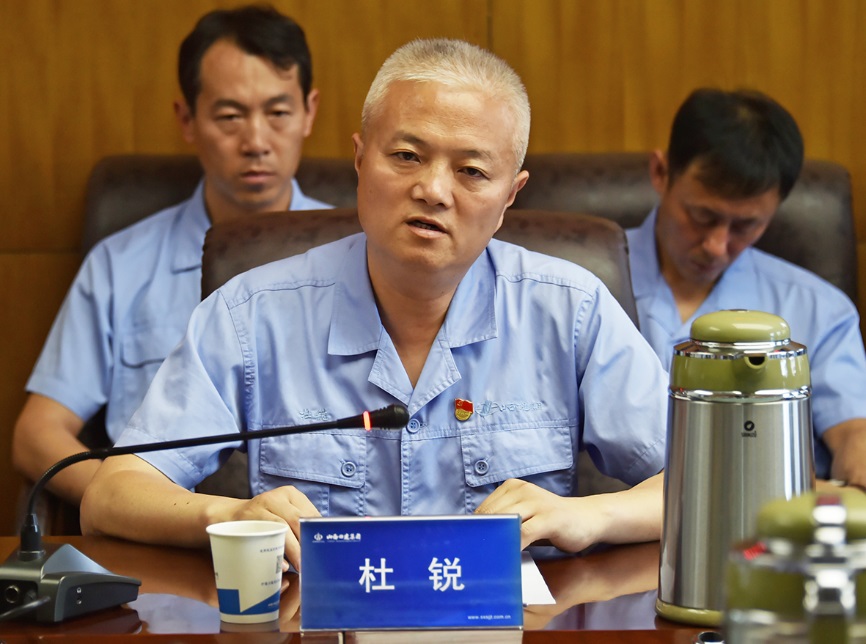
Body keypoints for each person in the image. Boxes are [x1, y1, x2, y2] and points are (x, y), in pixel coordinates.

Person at [82, 38, 668, 569]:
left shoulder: (571, 310)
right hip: (317, 625)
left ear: (510, 196)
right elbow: (111, 494)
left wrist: (591, 516)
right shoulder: (251, 314)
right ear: (361, 161)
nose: (432, 190)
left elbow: (699, 486)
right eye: (407, 156)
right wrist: (230, 517)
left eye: (471, 170)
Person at [12, 5, 328, 507]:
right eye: (230, 116)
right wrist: (134, 506)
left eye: (278, 113)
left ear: (309, 112)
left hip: (314, 534)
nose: (256, 142)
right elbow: (36, 434)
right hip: (160, 539)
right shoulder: (120, 264)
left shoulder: (359, 253)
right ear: (187, 119)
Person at [626, 87, 866, 488]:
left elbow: (853, 429)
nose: (717, 246)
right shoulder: (582, 284)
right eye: (702, 216)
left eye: (745, 225)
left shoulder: (819, 309)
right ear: (661, 173)